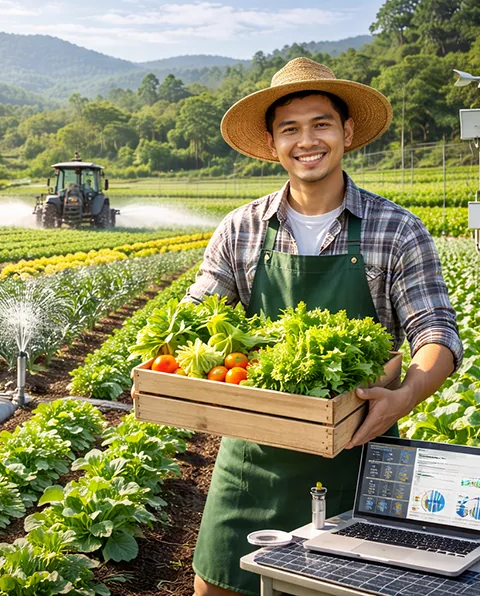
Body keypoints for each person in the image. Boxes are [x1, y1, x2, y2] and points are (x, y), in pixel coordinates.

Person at [187, 57, 464, 596]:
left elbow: (437, 333)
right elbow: (202, 314)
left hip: (358, 455)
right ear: (271, 142)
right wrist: (169, 361)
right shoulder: (242, 228)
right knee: (216, 587)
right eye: (290, 128)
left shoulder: (395, 229)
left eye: (321, 124)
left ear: (347, 132)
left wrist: (404, 395)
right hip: (253, 458)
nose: (306, 140)